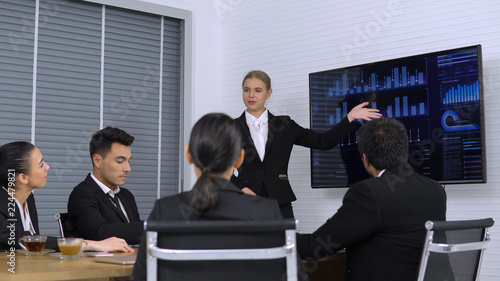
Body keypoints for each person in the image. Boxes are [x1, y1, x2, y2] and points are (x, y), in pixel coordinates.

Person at [131, 113, 308, 280]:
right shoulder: (266, 211)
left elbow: (141, 277)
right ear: (239, 159)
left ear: (189, 155)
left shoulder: (165, 211)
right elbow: (294, 276)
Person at [297, 118, 448, 281]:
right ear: (404, 150)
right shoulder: (435, 189)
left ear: (365, 159)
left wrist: (279, 234)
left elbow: (315, 249)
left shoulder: (369, 193)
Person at [232, 70, 382, 218]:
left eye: (257, 90)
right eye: (247, 90)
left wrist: (349, 118)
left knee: (288, 243)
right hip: (245, 203)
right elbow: (217, 168)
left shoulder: (285, 125)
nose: (251, 95)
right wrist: (241, 188)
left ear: (269, 93)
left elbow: (323, 142)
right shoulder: (230, 128)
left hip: (280, 203)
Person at [0, 141, 133, 252]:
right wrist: (91, 244)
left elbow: (34, 245)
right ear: (23, 178)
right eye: (41, 165)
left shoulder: (27, 198)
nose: (48, 167)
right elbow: (24, 241)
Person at [67, 127, 143, 245]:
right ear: (98, 161)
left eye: (129, 161)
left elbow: (139, 236)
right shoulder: (82, 194)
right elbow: (100, 233)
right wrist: (152, 227)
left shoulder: (126, 195)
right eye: (120, 161)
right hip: (97, 263)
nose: (128, 169)